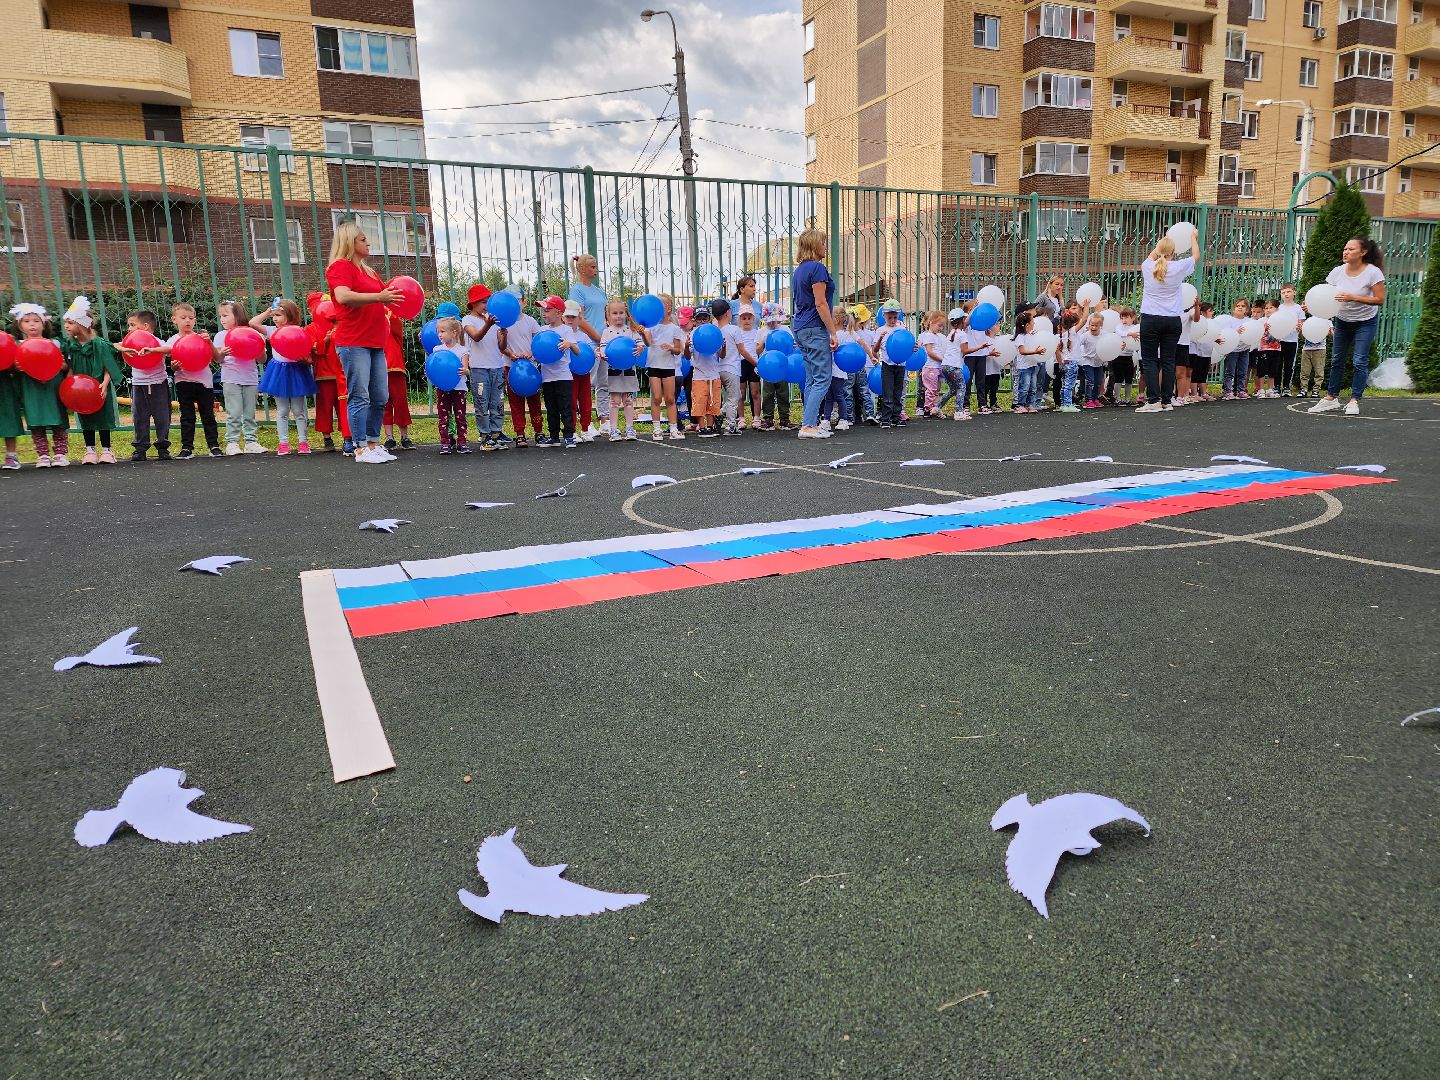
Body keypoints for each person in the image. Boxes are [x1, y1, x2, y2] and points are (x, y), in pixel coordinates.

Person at [325, 220, 399, 464]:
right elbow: (343, 296)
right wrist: (379, 296)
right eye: (363, 239)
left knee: (380, 395)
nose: (368, 243)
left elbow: (383, 297)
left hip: (376, 341)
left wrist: (395, 298)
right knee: (359, 395)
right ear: (350, 242)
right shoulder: (340, 267)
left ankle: (372, 443)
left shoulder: (369, 271)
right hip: (354, 341)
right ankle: (359, 448)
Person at [1309, 237, 1385, 416]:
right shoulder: (1337, 272)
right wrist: (1312, 306)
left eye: (1351, 249)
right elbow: (1326, 296)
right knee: (1337, 360)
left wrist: (1354, 297)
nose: (1346, 252)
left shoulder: (1372, 273)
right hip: (1343, 321)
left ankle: (1354, 400)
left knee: (1359, 360)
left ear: (1363, 252)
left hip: (1365, 322)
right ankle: (1331, 398)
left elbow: (1379, 300)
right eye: (1345, 249)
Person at [1136, 226, 1198, 413]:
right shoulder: (1178, 267)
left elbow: (1151, 256)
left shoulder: (1148, 267)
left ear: (1158, 250)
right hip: (1172, 319)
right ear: (1173, 252)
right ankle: (1166, 400)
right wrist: (1193, 237)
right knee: (1169, 361)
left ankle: (1153, 400)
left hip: (1151, 318)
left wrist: (1163, 241)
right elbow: (1196, 256)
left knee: (1150, 360)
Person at [151, 302, 221, 460]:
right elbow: (171, 359)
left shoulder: (201, 338)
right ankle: (187, 448)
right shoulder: (173, 340)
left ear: (195, 321)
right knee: (187, 416)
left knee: (208, 415)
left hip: (204, 382)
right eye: (183, 318)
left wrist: (209, 342)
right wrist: (174, 367)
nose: (187, 321)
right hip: (183, 382)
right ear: (174, 319)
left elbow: (216, 358)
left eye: (191, 318)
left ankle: (214, 445)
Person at [60, 296, 124, 465]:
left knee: (102, 417)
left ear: (82, 324)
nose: (66, 325)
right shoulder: (70, 346)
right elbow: (71, 368)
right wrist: (68, 385)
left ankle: (107, 450)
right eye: (66, 322)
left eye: (70, 322)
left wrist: (104, 382)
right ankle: (89, 450)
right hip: (80, 388)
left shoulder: (98, 344)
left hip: (98, 385)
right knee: (85, 417)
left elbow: (107, 365)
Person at [790, 228, 839, 439]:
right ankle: (808, 425)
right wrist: (833, 332)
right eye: (823, 243)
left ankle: (808, 423)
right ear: (814, 246)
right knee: (822, 379)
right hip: (814, 328)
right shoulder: (817, 269)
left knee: (811, 378)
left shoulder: (799, 270)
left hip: (800, 327)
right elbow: (820, 303)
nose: (825, 247)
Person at [256, 298, 316, 455]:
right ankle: (283, 443)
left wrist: (306, 359)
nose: (275, 318)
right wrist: (267, 312)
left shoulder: (299, 331)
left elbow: (307, 353)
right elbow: (252, 323)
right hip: (279, 373)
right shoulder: (272, 331)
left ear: (289, 315)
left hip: (297, 371)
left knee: (299, 410)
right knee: (282, 410)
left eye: (278, 315)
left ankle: (303, 442)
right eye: (274, 315)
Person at [117, 309, 169, 461]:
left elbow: (170, 349)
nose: (129, 329)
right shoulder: (129, 342)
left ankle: (163, 447)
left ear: (145, 326)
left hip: (159, 384)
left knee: (162, 417)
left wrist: (152, 349)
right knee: (139, 417)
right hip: (139, 385)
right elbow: (115, 344)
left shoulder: (158, 341)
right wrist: (123, 348)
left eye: (132, 325)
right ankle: (140, 448)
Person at [215, 300, 265, 456]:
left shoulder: (252, 333)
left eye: (225, 315)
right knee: (234, 412)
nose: (222, 319)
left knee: (249, 413)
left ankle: (251, 442)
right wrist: (221, 353)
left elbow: (262, 359)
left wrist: (259, 349)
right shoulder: (221, 335)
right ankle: (232, 442)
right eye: (220, 316)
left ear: (237, 315)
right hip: (230, 378)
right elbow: (217, 359)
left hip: (249, 378)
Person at [305, 293, 352, 454]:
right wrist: (325, 340)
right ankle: (327, 438)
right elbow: (315, 349)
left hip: (342, 373)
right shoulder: (310, 328)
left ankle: (348, 437)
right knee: (324, 407)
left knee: (344, 406)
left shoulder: (339, 324)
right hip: (324, 374)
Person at [462, 284, 507, 451]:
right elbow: (476, 337)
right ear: (473, 304)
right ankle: (485, 436)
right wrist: (488, 324)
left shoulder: (493, 321)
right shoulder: (468, 320)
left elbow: (501, 347)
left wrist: (504, 335)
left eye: (489, 301)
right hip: (479, 369)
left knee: (497, 403)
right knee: (482, 404)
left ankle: (496, 433)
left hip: (497, 367)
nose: (487, 305)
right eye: (484, 302)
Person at [568, 253, 609, 434]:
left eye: (596, 266)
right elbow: (580, 319)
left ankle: (604, 419)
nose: (596, 269)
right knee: (587, 385)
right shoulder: (576, 291)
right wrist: (599, 338)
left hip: (603, 343)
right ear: (581, 268)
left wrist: (607, 337)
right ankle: (586, 421)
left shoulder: (599, 291)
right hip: (589, 343)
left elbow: (605, 316)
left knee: (604, 382)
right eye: (592, 266)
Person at [500, 291, 544, 447]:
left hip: (530, 367)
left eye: (518, 300)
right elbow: (501, 346)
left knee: (534, 401)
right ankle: (520, 433)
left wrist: (532, 353)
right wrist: (510, 354)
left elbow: (539, 340)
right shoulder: (504, 323)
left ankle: (539, 431)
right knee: (516, 402)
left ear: (524, 303)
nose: (514, 304)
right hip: (512, 368)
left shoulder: (530, 321)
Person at [599, 298, 645, 441]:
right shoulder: (607, 332)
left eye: (621, 313)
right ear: (608, 315)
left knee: (628, 400)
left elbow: (640, 344)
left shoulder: (630, 330)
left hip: (629, 370)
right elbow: (603, 347)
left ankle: (630, 428)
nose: (618, 316)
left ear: (625, 314)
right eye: (614, 313)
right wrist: (602, 353)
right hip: (614, 371)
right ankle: (613, 429)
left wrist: (640, 348)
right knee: (614, 400)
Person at [538, 295, 579, 448]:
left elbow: (578, 351)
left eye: (547, 310)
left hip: (563, 376)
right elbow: (537, 350)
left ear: (558, 312)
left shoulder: (566, 330)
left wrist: (569, 344)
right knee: (551, 408)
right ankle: (554, 437)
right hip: (547, 377)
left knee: (566, 407)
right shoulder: (542, 330)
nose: (544, 313)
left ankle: (569, 436)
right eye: (543, 310)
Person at [561, 299, 602, 441]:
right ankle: (572, 431)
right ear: (562, 317)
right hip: (568, 374)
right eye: (568, 316)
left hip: (583, 373)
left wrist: (595, 355)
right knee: (570, 402)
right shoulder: (560, 334)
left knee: (585, 402)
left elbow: (588, 354)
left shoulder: (584, 337)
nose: (570, 320)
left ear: (580, 318)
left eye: (573, 317)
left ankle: (585, 429)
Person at [646, 294, 684, 440]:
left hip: (668, 366)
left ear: (669, 308)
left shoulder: (675, 329)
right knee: (656, 398)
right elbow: (648, 343)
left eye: (662, 306)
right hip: (654, 365)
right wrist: (643, 332)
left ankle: (673, 428)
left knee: (670, 398)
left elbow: (678, 350)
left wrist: (670, 347)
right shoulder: (651, 327)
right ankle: (656, 429)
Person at [431, 317, 471, 455]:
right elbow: (433, 366)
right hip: (442, 388)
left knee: (460, 416)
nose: (439, 334)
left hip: (459, 388)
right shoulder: (437, 349)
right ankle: (445, 442)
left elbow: (466, 369)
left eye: (443, 331)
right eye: (438, 332)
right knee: (443, 416)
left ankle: (462, 442)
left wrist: (465, 370)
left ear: (454, 333)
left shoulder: (462, 350)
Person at [712, 298, 751, 436]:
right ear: (728, 313)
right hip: (732, 369)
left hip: (719, 369)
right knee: (733, 398)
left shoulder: (715, 332)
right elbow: (743, 351)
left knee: (736, 395)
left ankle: (719, 414)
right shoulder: (734, 330)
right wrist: (755, 362)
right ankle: (731, 426)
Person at [731, 276, 764, 427]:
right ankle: (740, 418)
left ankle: (757, 417)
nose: (754, 289)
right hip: (738, 356)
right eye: (751, 286)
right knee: (740, 390)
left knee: (755, 390)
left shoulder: (758, 306)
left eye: (754, 286)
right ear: (741, 289)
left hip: (754, 354)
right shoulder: (732, 305)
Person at [687, 306, 723, 437]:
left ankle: (710, 426)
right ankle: (702, 428)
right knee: (700, 401)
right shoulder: (692, 335)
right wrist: (686, 346)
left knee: (713, 402)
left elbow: (721, 354)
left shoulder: (714, 332)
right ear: (694, 320)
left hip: (714, 374)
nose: (702, 320)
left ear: (709, 319)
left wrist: (723, 345)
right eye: (699, 318)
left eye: (705, 317)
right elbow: (687, 356)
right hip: (699, 374)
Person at [379, 309, 412, 451]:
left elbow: (395, 322)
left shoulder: (393, 328)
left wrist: (386, 309)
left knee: (400, 403)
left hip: (395, 368)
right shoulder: (373, 332)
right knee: (384, 404)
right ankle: (389, 438)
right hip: (379, 369)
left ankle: (405, 437)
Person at [872, 300, 908, 428]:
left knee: (898, 392)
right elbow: (875, 350)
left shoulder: (902, 329)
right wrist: (881, 338)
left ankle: (896, 417)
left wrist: (913, 348)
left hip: (901, 365)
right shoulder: (881, 330)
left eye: (895, 317)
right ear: (884, 316)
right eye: (890, 317)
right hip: (887, 365)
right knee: (888, 392)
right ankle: (885, 418)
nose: (892, 320)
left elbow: (908, 345)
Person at [760, 305, 792, 430]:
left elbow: (792, 345)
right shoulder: (762, 331)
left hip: (782, 365)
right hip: (768, 366)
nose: (772, 323)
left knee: (783, 392)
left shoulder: (785, 329)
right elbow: (757, 350)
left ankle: (784, 418)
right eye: (770, 320)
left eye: (775, 320)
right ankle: (768, 418)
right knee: (767, 393)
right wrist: (763, 342)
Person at [937, 307, 969, 420]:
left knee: (953, 389)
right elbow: (965, 351)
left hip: (945, 365)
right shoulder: (962, 334)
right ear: (961, 321)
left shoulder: (951, 334)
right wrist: (980, 347)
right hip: (955, 366)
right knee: (961, 387)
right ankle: (959, 412)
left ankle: (937, 407)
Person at [1011, 310, 1045, 414]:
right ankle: (1020, 405)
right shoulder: (1020, 337)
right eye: (1032, 322)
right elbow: (1022, 351)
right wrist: (1035, 351)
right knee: (1024, 387)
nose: (1034, 323)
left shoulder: (1030, 335)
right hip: (1024, 367)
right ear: (1027, 325)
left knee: (1033, 387)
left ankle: (1031, 404)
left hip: (1032, 365)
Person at [1216, 298, 1250, 400]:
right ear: (1233, 309)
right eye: (1238, 306)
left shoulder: (1248, 321)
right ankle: (1227, 390)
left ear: (1247, 310)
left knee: (1242, 371)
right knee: (1229, 371)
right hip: (1232, 349)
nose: (1240, 307)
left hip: (1245, 349)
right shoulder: (1229, 321)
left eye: (1243, 306)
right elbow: (1227, 334)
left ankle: (1240, 390)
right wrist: (1236, 331)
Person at [1275, 284, 1304, 396]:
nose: (1286, 294)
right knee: (1278, 363)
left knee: (1289, 364)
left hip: (1292, 340)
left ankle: (1286, 386)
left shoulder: (1298, 308)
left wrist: (1299, 328)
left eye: (1288, 291)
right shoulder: (1279, 308)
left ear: (1294, 293)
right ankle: (1277, 386)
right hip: (1279, 340)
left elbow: (1301, 324)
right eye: (1283, 292)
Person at [917, 310, 946, 417]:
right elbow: (929, 352)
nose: (941, 328)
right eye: (939, 325)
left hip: (937, 367)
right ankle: (928, 409)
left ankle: (935, 408)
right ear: (931, 322)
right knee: (931, 389)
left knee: (936, 389)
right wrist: (942, 359)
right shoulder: (928, 336)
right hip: (930, 367)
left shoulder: (937, 336)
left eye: (942, 326)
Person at [1077, 312, 1106, 409]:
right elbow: (1077, 344)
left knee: (1098, 381)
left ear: (1101, 326)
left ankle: (1095, 398)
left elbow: (1111, 343)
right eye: (1091, 325)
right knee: (1090, 381)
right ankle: (1088, 400)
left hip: (1098, 362)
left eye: (1096, 326)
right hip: (1087, 361)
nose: (1093, 328)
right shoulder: (1086, 335)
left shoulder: (1104, 335)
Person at [1057, 312, 1081, 413]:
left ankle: (1063, 403)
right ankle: (1067, 404)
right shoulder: (1072, 332)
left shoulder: (1063, 334)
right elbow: (1084, 320)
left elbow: (1057, 350)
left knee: (1064, 384)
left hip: (1065, 362)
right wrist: (1087, 306)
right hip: (1072, 362)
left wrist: (1060, 363)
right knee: (1069, 385)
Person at [1299, 320, 1330, 398]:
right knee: (1304, 371)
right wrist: (1301, 330)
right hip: (1306, 349)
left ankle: (1316, 390)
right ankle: (1303, 390)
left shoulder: (1326, 321)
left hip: (1320, 349)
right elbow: (1301, 337)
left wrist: (1328, 332)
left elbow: (1332, 335)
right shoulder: (1308, 321)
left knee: (1319, 371)